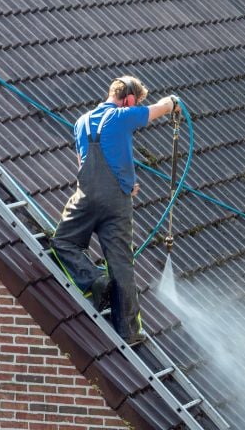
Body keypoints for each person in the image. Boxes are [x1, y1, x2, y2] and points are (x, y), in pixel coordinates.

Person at [50, 75, 179, 344]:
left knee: (63, 242)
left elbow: (83, 164)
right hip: (117, 203)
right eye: (135, 101)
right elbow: (162, 108)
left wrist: (120, 183)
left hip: (85, 198)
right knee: (121, 263)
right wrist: (174, 102)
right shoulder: (124, 116)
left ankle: (94, 280)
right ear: (129, 98)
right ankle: (129, 331)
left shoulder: (81, 122)